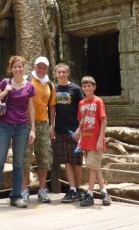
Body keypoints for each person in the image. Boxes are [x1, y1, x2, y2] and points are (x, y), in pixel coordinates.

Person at [0, 55, 36, 209]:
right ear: (11, 69)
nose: (18, 69)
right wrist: (5, 92)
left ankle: (16, 196)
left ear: (24, 68)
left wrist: (32, 128)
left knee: (18, 164)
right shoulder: (5, 83)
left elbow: (31, 108)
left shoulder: (30, 86)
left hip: (22, 127)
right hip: (4, 126)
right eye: (15, 66)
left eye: (20, 66)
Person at [22, 56, 55, 204]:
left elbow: (52, 106)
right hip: (27, 123)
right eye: (39, 67)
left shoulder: (50, 84)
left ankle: (42, 189)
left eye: (44, 67)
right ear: (35, 67)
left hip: (43, 123)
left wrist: (52, 125)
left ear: (47, 69)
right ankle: (24, 189)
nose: (41, 69)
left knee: (44, 157)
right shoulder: (27, 81)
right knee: (25, 157)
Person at [75, 76, 111, 206]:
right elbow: (82, 122)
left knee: (91, 167)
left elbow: (103, 120)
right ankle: (104, 193)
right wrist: (79, 136)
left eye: (89, 86)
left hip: (96, 140)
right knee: (95, 167)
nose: (86, 88)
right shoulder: (81, 104)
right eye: (84, 86)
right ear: (82, 88)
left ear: (94, 87)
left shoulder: (98, 101)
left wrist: (101, 138)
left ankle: (90, 194)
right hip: (86, 140)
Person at [51, 62, 85, 203]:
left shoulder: (75, 89)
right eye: (59, 72)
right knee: (66, 161)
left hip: (74, 129)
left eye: (64, 72)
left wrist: (80, 128)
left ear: (68, 73)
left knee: (77, 161)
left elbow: (83, 109)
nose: (61, 74)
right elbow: (52, 108)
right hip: (60, 129)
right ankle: (72, 189)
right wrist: (51, 126)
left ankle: (78, 188)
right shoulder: (54, 88)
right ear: (55, 74)